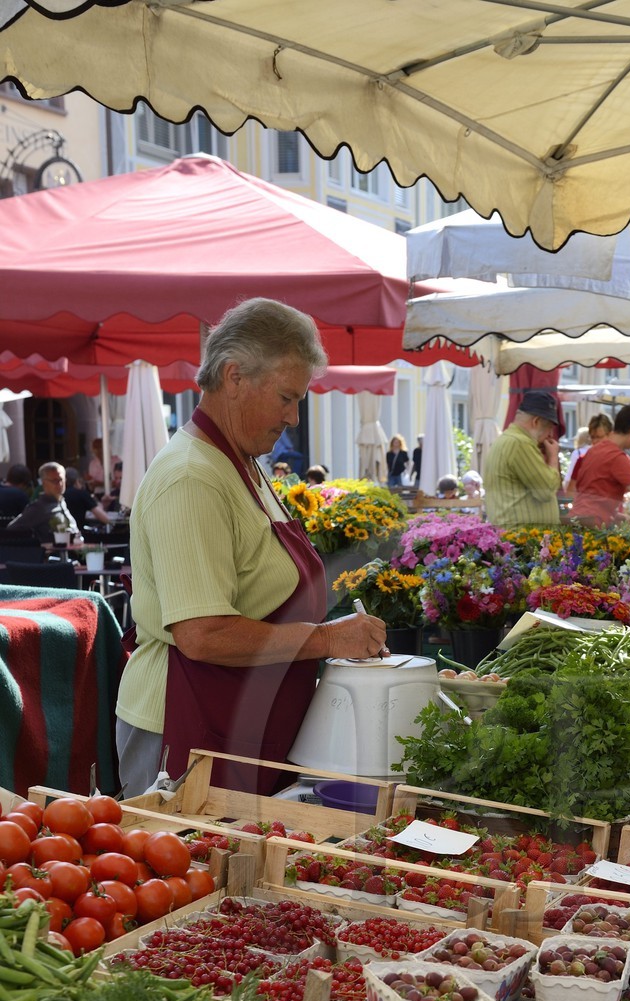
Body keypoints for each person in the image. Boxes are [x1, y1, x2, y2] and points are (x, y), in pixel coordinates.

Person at [115, 297, 386, 799]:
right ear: (234, 376)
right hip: (186, 727)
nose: (294, 417)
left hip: (240, 725)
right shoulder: (192, 477)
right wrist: (326, 639)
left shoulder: (241, 463)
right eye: (286, 397)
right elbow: (203, 635)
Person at [483, 390, 563, 530]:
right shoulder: (520, 443)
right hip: (523, 537)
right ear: (536, 421)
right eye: (549, 428)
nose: (550, 435)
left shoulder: (506, 440)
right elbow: (545, 491)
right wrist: (553, 457)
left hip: (515, 533)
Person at [5, 462, 79, 545]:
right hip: (53, 552)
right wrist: (36, 546)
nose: (59, 484)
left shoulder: (61, 502)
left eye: (61, 479)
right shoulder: (38, 508)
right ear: (44, 483)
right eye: (54, 481)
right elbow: (12, 529)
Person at [563, 414, 609, 490]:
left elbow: (569, 478)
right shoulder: (583, 459)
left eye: (599, 437)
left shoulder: (618, 459)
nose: (595, 441)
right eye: (593, 437)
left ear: (609, 435)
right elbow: (571, 488)